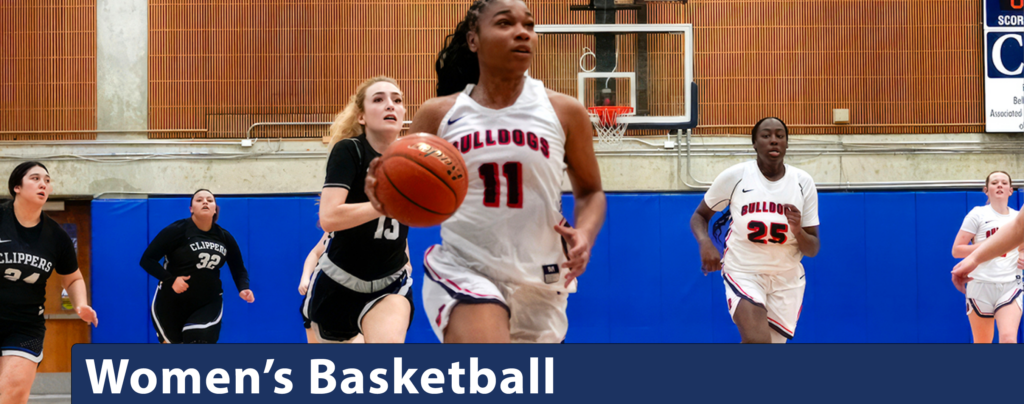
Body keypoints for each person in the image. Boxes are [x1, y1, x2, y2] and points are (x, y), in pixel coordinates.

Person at [367, 0, 606, 343]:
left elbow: (590, 192)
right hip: (464, 268)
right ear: (474, 39)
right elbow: (399, 189)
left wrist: (585, 233)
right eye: (506, 23)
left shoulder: (564, 111)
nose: (522, 32)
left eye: (529, 25)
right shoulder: (439, 114)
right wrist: (383, 193)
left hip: (542, 279)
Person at [689, 117, 820, 344]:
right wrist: (705, 242)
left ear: (787, 144)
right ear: (754, 143)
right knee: (758, 341)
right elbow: (699, 216)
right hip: (744, 271)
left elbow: (813, 249)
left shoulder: (802, 182)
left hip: (786, 277)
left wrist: (798, 230)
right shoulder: (736, 176)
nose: (773, 141)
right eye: (766, 135)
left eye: (780, 136)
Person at [303, 76, 413, 344]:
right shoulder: (350, 151)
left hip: (390, 283)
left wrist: (406, 257)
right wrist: (382, 204)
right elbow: (329, 218)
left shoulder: (413, 158)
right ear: (361, 116)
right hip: (339, 282)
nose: (390, 105)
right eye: (379, 99)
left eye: (397, 100)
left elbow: (397, 226)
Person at [0, 161, 97, 403]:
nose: (43, 183)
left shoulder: (57, 236)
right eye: (35, 178)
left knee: (12, 392)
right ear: (17, 187)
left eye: (47, 180)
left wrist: (80, 305)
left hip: (25, 326)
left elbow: (72, 278)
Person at [140, 189, 253, 344]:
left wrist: (243, 287)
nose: (205, 202)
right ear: (191, 209)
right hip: (171, 302)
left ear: (215, 208)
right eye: (199, 200)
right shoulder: (177, 230)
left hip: (207, 302)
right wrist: (171, 280)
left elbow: (238, 267)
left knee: (196, 337)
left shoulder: (224, 237)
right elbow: (147, 260)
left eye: (209, 200)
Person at [951, 171, 1023, 343]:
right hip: (980, 283)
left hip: (1010, 283)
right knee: (983, 341)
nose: (999, 185)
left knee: (1008, 339)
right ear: (986, 189)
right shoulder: (978, 214)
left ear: (1011, 190)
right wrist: (993, 244)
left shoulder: (1017, 217)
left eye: (1004, 183)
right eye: (994, 182)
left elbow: (1022, 247)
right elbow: (957, 250)